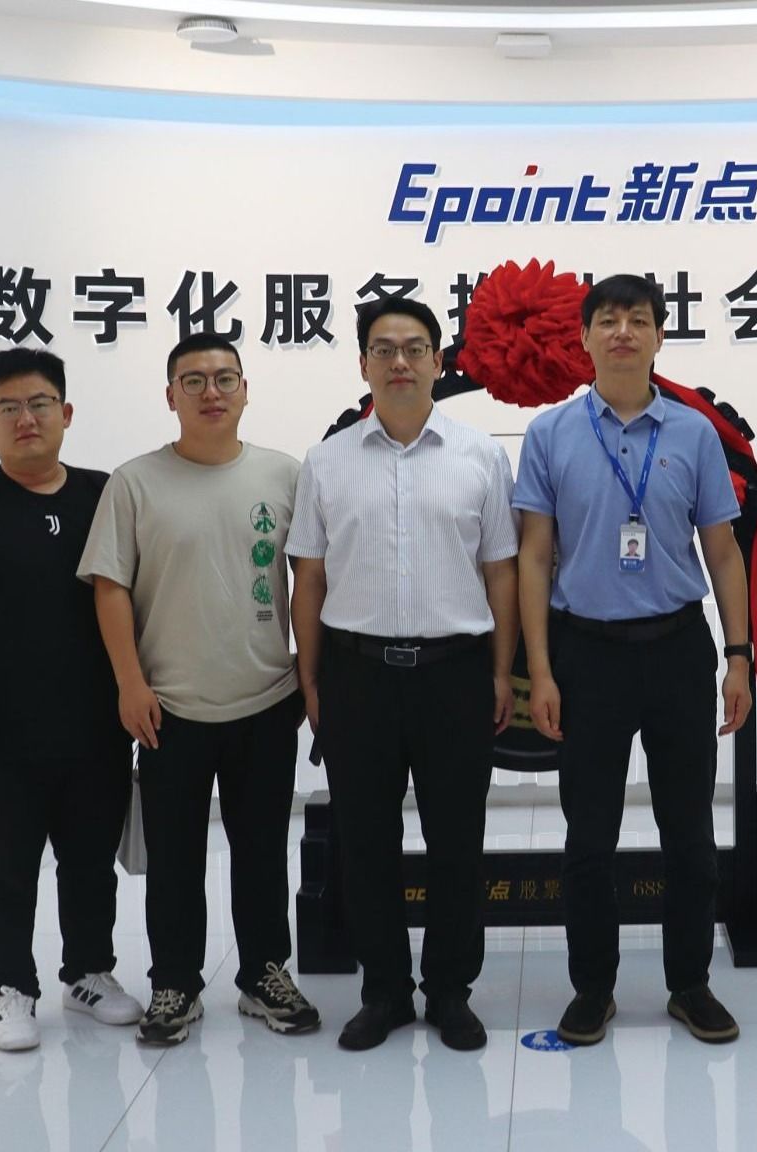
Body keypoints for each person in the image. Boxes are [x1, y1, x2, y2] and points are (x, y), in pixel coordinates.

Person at [517, 273, 754, 1046]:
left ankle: (690, 983)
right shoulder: (551, 434)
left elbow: (723, 551)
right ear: (585, 337)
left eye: (639, 320)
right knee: (589, 835)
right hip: (585, 653)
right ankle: (593, 988)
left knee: (689, 831)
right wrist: (540, 670)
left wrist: (740, 656)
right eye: (609, 320)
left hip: (677, 648)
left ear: (659, 336)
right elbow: (533, 556)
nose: (623, 332)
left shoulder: (693, 434)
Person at [288, 297, 520, 1052]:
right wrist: (311, 682)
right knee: (365, 842)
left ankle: (450, 990)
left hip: (455, 673)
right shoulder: (327, 462)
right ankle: (384, 990)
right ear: (362, 363)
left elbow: (502, 572)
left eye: (415, 348)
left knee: (458, 841)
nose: (399, 362)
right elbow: (309, 579)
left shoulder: (480, 456)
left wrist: (502, 672)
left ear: (438, 361)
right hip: (356, 676)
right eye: (383, 349)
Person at [78, 333, 319, 1046]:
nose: (211, 392)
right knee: (174, 858)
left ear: (245, 390)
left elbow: (309, 580)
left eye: (224, 378)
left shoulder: (284, 475)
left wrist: (308, 677)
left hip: (266, 700)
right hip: (169, 708)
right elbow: (110, 588)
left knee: (262, 850)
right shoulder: (135, 482)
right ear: (170, 396)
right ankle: (175, 983)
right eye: (194, 380)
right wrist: (129, 683)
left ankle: (264, 974)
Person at [0, 348, 140, 1052]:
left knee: (90, 859)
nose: (26, 418)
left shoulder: (104, 497)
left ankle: (89, 973)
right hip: (2, 732)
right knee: (7, 863)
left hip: (96, 725)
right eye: (7, 407)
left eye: (39, 403)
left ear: (65, 413)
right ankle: (9, 987)